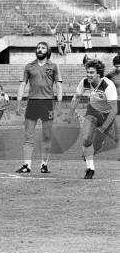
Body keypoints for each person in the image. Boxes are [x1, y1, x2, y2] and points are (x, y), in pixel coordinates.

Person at [15, 42, 63, 174]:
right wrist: (18, 104)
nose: (40, 50)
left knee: (47, 136)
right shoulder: (29, 66)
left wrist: (59, 105)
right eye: (38, 48)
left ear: (47, 51)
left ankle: (44, 165)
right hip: (32, 104)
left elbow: (58, 86)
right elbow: (22, 85)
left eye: (42, 48)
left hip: (47, 103)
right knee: (28, 135)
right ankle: (26, 165)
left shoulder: (54, 66)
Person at [67, 59, 117, 179]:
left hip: (107, 115)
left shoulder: (108, 85)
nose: (88, 75)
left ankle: (94, 148)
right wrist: (70, 113)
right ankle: (90, 168)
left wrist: (104, 128)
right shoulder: (84, 82)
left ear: (98, 74)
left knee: (98, 145)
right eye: (87, 72)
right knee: (86, 139)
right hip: (92, 112)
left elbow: (114, 110)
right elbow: (76, 96)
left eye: (91, 72)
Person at [104, 55, 120, 160]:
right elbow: (103, 85)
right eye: (117, 66)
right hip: (115, 103)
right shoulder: (110, 75)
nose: (118, 68)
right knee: (116, 129)